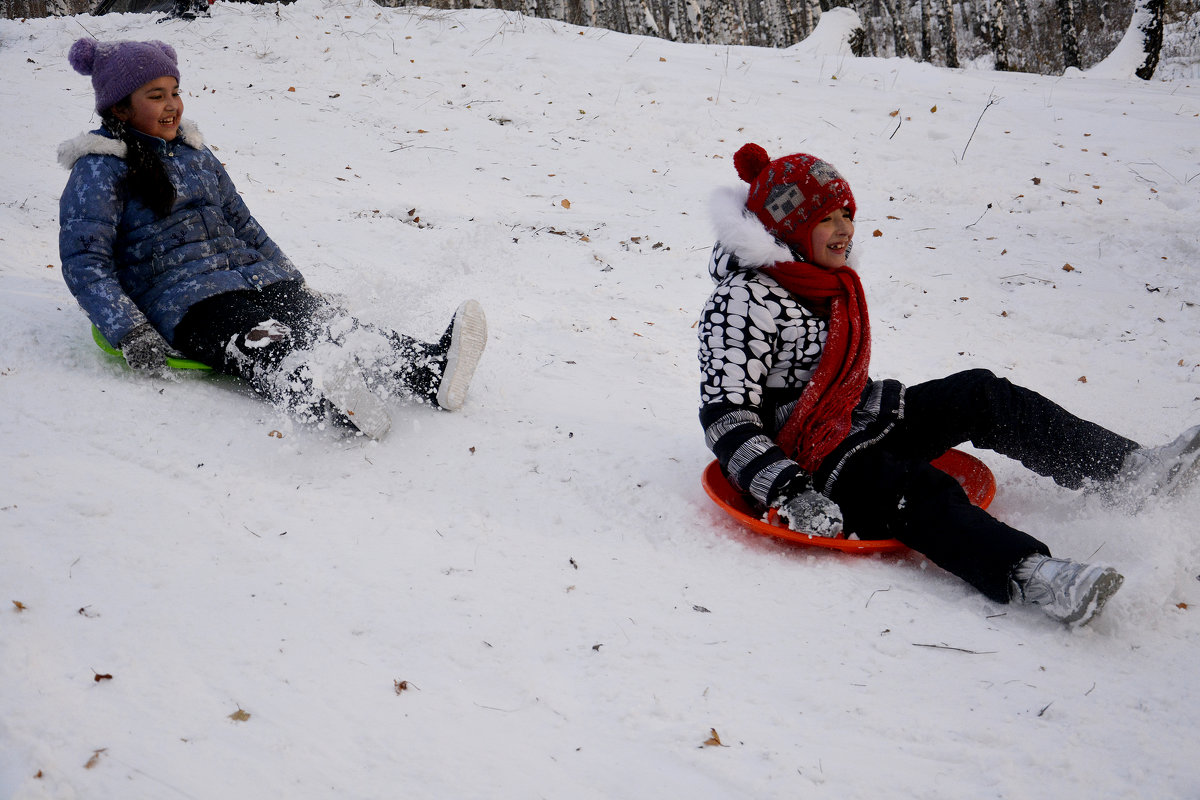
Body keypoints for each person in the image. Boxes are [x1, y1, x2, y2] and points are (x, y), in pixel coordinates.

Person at [698, 143, 1200, 627]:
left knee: (981, 393)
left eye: (846, 214)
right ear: (790, 229)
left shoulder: (827, 282)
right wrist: (790, 491)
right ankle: (1034, 576)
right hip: (811, 458)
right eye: (825, 219)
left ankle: (1126, 472)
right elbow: (726, 416)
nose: (844, 231)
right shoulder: (741, 302)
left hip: (860, 419)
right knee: (915, 491)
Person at [59, 38, 487, 440]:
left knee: (330, 325)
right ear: (119, 109)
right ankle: (332, 397)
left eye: (175, 91)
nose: (172, 105)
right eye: (155, 96)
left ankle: (429, 371)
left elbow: (242, 222)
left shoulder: (196, 152)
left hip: (251, 276)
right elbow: (85, 262)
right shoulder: (100, 169)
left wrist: (291, 280)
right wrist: (130, 329)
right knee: (267, 338)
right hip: (184, 300)